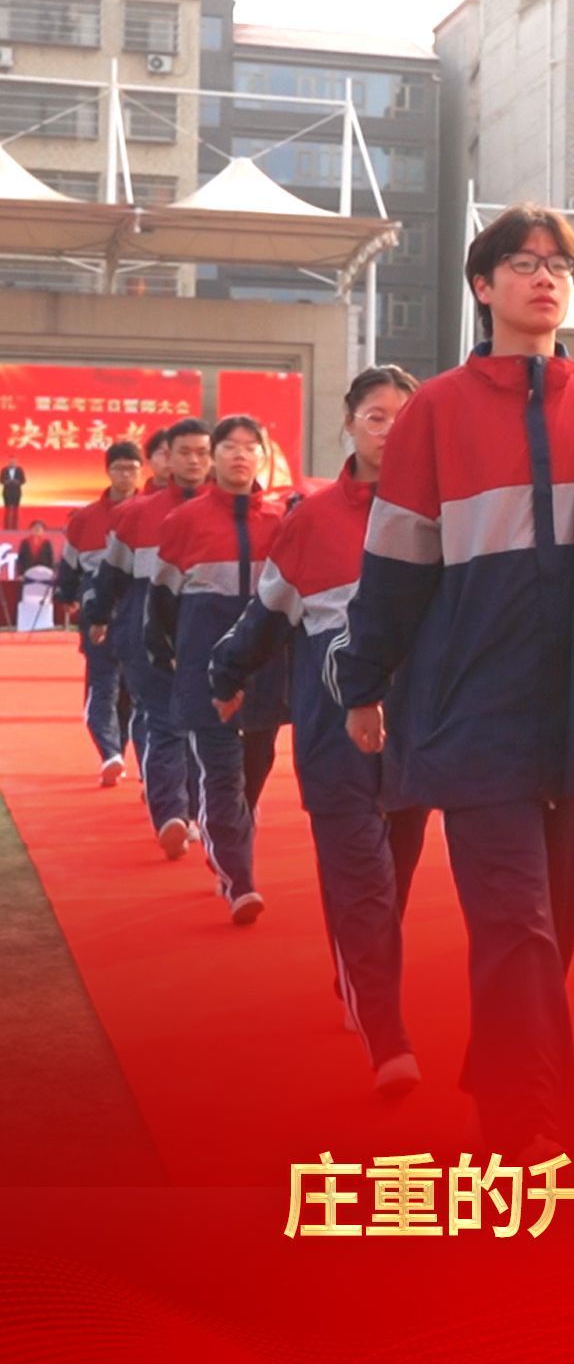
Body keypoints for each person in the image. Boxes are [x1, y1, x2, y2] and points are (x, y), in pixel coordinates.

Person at [327, 203, 574, 1158]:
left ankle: (500, 1079)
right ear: (484, 287)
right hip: (472, 714)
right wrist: (363, 684)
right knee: (517, 929)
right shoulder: (436, 414)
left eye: (559, 264)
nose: (545, 277)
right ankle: (536, 1139)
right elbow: (393, 569)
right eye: (524, 263)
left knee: (547, 936)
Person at [210, 366, 428, 1096]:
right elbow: (268, 616)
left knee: (391, 879)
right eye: (376, 416)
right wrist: (226, 674)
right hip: (333, 732)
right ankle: (387, 1036)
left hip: (416, 730)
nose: (390, 429)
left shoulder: (443, 517)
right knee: (363, 880)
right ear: (349, 424)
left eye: (404, 416)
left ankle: (357, 974)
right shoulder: (312, 520)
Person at [145, 415, 287, 925]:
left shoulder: (282, 523)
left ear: (263, 457)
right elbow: (161, 602)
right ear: (214, 456)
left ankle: (227, 846)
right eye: (229, 446)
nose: (240, 454)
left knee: (253, 773)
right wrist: (168, 655)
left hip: (267, 677)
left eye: (251, 446)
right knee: (222, 777)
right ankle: (239, 881)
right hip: (205, 677)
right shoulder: (184, 522)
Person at [86, 418, 213, 857]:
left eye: (202, 452)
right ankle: (171, 814)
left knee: (202, 727)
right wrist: (99, 617)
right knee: (164, 723)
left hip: (205, 635)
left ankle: (194, 810)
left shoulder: (226, 514)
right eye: (184, 452)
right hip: (144, 635)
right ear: (165, 459)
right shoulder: (136, 515)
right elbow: (111, 576)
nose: (193, 461)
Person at [55, 441, 144, 784]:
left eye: (132, 468)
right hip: (98, 607)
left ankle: (121, 751)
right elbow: (70, 563)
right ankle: (108, 752)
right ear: (108, 472)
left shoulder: (150, 512)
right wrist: (66, 593)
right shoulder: (86, 518)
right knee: (103, 682)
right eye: (119, 468)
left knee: (133, 690)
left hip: (138, 606)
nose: (126, 475)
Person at [2, 459, 26, 530]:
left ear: (16, 463)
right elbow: (1, 480)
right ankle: (6, 527)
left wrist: (16, 482)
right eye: (10, 462)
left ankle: (15, 527)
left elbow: (23, 480)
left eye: (14, 462)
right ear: (8, 463)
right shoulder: (4, 470)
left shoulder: (20, 470)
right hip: (7, 492)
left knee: (16, 510)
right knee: (7, 510)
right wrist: (7, 481)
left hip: (16, 492)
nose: (12, 463)